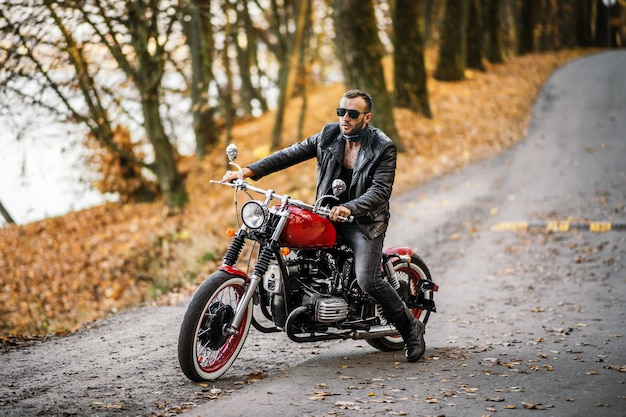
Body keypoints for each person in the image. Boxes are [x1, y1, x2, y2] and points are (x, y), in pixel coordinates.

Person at [221, 89, 425, 362]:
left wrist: (349, 208)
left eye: (352, 113)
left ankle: (411, 330)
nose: (345, 118)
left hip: (364, 221)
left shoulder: (382, 147)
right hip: (325, 213)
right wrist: (248, 171)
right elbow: (290, 153)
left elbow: (380, 191)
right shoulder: (329, 134)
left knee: (368, 279)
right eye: (341, 111)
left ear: (367, 117)